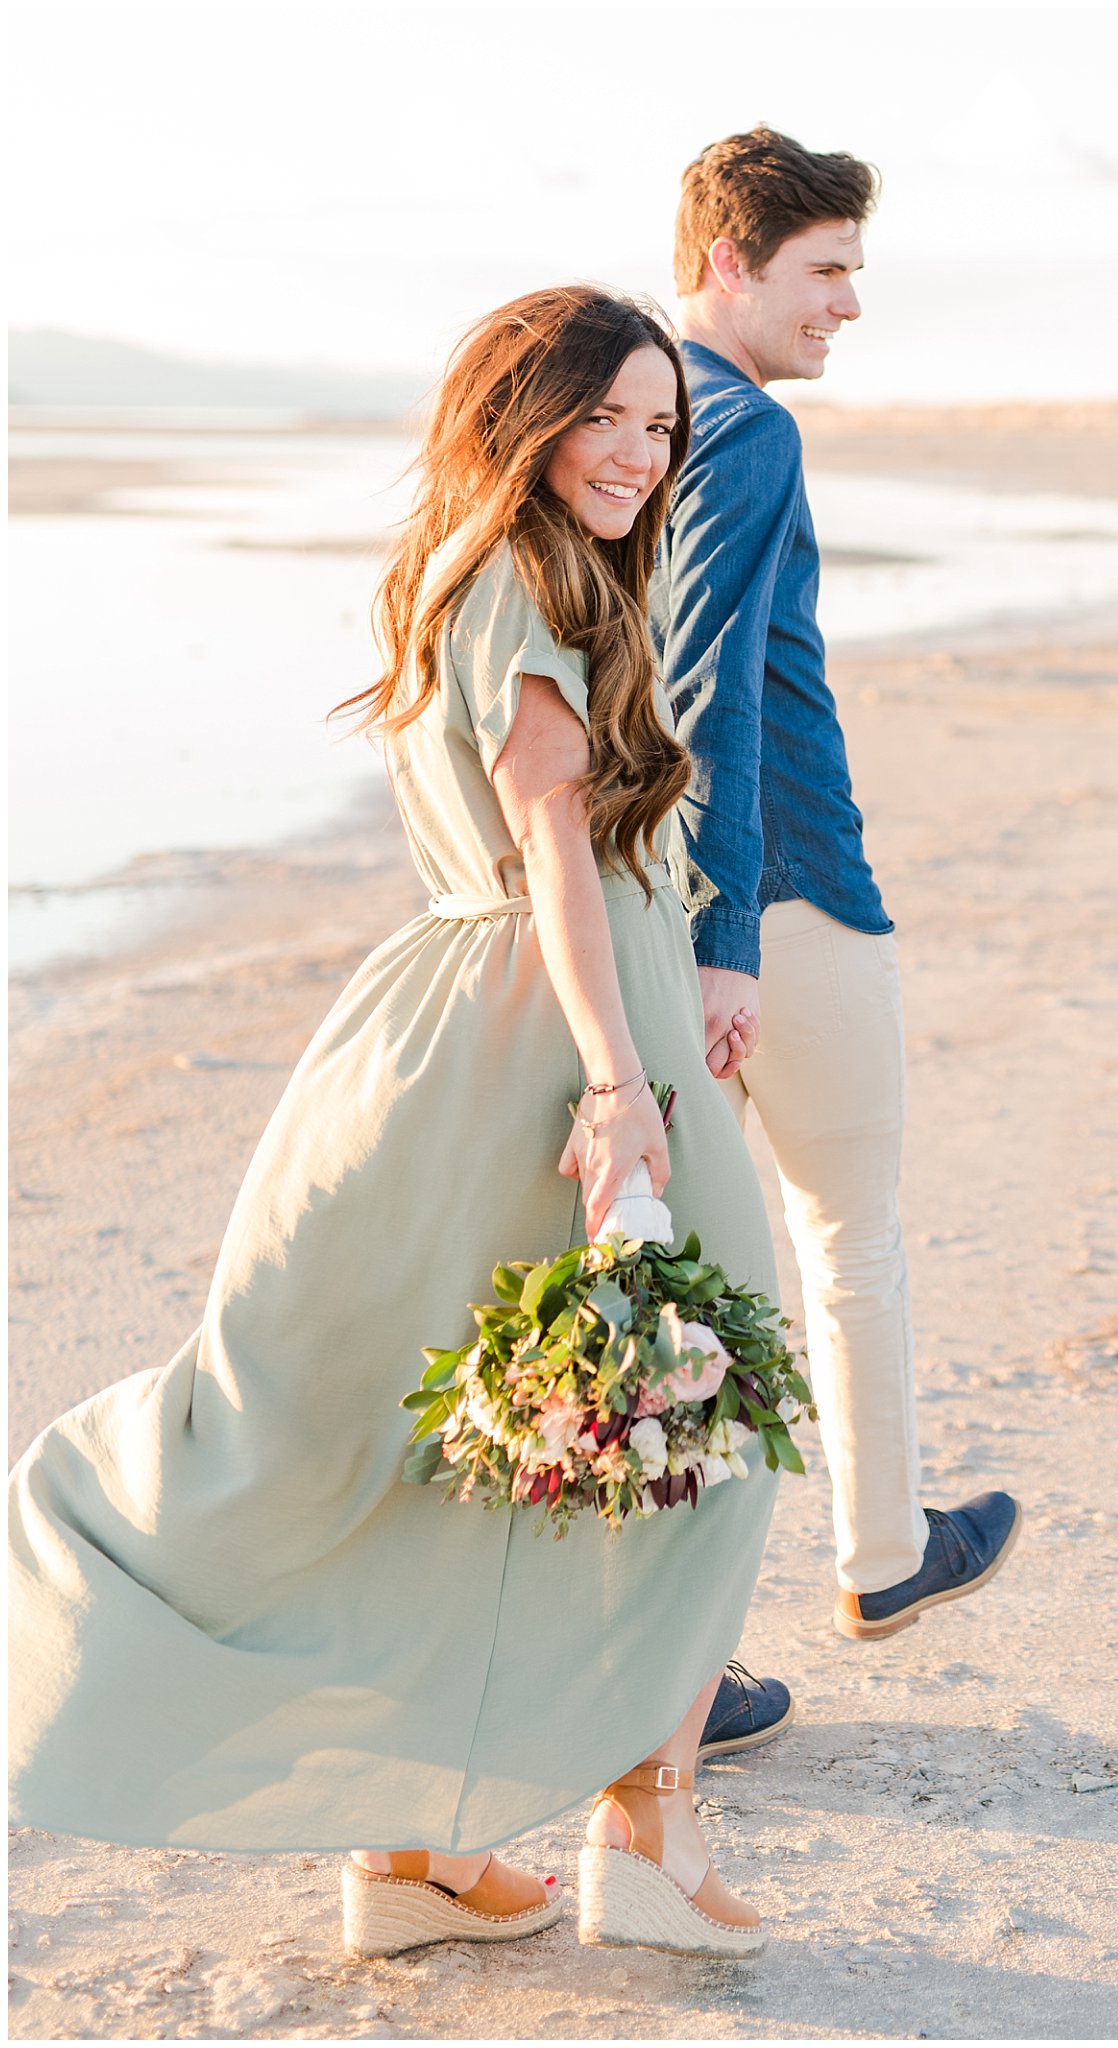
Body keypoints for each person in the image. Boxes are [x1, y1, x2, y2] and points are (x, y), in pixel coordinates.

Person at [9, 287, 782, 1961]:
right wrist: (617, 1086)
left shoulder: (507, 575)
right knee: (698, 1415)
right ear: (530, 413)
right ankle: (642, 1829)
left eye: (663, 428)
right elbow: (554, 844)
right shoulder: (515, 582)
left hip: (486, 1019)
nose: (642, 457)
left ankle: (413, 1855)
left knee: (471, 1441)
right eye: (610, 420)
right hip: (556, 1030)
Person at [651, 127, 1021, 1651]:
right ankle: (881, 1552)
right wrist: (726, 931)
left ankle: (675, 1663)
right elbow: (707, 687)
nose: (849, 304)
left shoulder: (618, 413)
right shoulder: (744, 429)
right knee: (839, 1235)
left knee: (668, 1279)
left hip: (659, 892)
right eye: (826, 270)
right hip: (776, 893)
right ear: (728, 263)